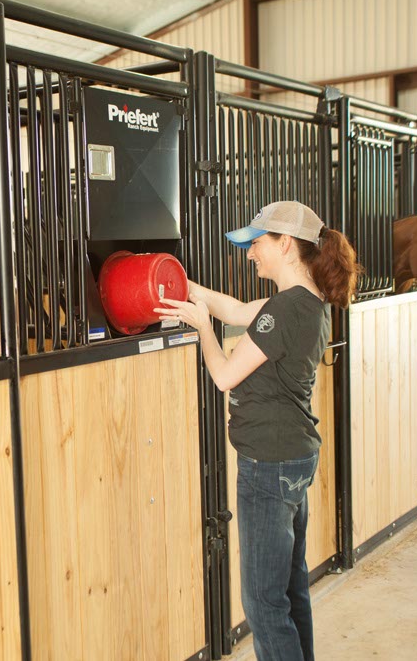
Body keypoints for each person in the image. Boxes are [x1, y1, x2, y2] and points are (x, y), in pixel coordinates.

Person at [156, 201, 359, 661]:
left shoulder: (284, 309)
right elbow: (236, 309)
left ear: (285, 244)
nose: (250, 254)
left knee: (262, 604)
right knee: (289, 589)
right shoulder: (307, 302)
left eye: (257, 243)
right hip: (293, 457)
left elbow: (225, 376)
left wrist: (202, 329)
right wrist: (178, 283)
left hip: (268, 466)